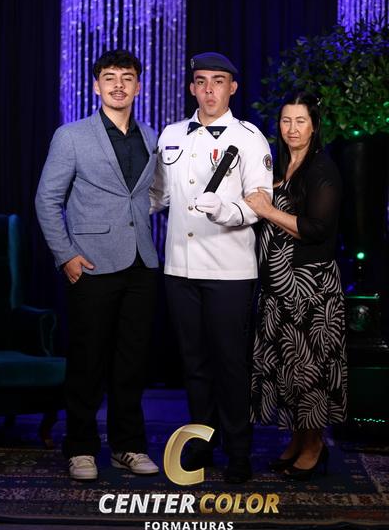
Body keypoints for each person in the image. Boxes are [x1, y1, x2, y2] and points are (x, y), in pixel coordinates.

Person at [35, 49, 159, 481]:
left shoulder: (151, 136)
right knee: (87, 362)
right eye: (110, 77)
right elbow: (47, 200)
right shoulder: (71, 136)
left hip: (142, 263)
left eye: (127, 78)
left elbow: (149, 194)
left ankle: (128, 446)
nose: (118, 85)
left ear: (138, 86)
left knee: (132, 362)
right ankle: (81, 448)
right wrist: (66, 255)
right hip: (90, 264)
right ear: (96, 85)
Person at [150, 52, 273, 483]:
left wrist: (226, 210)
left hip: (229, 270)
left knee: (230, 365)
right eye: (201, 81)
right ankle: (202, 446)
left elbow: (260, 202)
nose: (209, 90)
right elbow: (157, 195)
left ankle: (239, 453)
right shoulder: (171, 134)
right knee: (194, 365)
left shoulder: (250, 138)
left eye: (218, 81)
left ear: (232, 88)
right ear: (192, 88)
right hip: (179, 268)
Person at [245, 91, 347, 481]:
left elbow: (317, 228)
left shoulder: (323, 169)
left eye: (300, 121)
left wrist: (267, 210)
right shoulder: (280, 165)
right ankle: (297, 440)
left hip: (311, 290)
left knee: (310, 370)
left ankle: (314, 446)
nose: (292, 129)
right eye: (286, 120)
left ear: (314, 126)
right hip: (279, 290)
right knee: (288, 370)